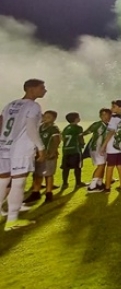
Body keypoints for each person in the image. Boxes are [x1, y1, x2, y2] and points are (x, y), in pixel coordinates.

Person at [0, 78, 47, 231]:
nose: (44, 91)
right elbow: (31, 129)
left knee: (3, 180)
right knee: (19, 183)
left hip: (3, 146)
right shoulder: (33, 106)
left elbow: (1, 124)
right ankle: (12, 219)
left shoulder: (10, 104)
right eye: (42, 88)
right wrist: (40, 147)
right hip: (20, 149)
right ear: (31, 89)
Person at [25, 110, 60, 204]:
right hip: (38, 154)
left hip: (49, 155)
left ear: (54, 119)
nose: (46, 118)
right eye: (45, 116)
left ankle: (49, 193)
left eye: (49, 117)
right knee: (38, 174)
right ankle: (35, 192)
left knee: (48, 174)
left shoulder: (53, 128)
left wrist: (52, 152)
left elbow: (57, 140)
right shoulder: (40, 127)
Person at [100, 101, 121, 195]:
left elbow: (111, 132)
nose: (112, 109)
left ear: (120, 108)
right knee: (120, 165)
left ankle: (107, 187)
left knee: (110, 166)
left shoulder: (114, 118)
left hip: (113, 146)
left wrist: (103, 145)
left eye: (114, 107)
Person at [84, 109, 111, 193]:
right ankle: (92, 186)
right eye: (102, 115)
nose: (105, 117)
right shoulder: (97, 124)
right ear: (100, 116)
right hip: (96, 148)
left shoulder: (109, 125)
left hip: (104, 148)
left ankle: (99, 183)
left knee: (103, 165)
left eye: (106, 115)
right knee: (101, 165)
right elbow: (86, 132)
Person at [60, 112, 85, 189]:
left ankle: (64, 183)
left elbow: (62, 137)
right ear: (76, 119)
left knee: (65, 168)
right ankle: (78, 183)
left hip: (66, 150)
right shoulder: (78, 128)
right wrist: (82, 143)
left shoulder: (66, 128)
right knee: (78, 167)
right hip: (75, 150)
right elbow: (80, 137)